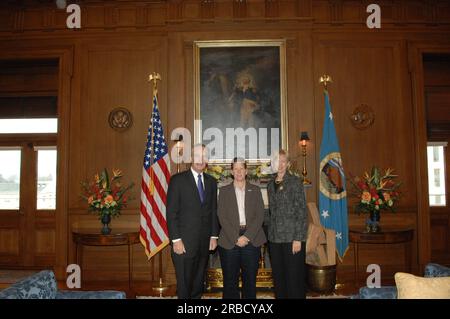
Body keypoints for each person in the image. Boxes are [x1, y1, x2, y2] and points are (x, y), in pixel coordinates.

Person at [166, 144, 219, 299]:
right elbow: (171, 213)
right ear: (190, 158)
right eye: (197, 156)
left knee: (198, 284)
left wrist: (214, 236)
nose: (200, 160)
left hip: (204, 243)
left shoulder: (211, 182)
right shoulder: (177, 181)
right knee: (184, 285)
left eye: (204, 156)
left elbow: (213, 211)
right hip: (183, 244)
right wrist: (176, 240)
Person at [217, 157, 266, 299]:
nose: (239, 171)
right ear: (232, 171)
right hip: (229, 239)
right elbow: (222, 216)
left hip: (252, 239)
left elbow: (260, 215)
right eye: (236, 169)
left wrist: (247, 236)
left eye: (241, 168)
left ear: (246, 171)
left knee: (250, 281)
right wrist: (235, 237)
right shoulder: (224, 191)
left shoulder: (255, 190)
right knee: (230, 282)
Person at [267, 149, 308, 298]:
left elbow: (302, 212)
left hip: (293, 239)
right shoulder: (270, 185)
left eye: (283, 161)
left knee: (294, 279)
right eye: (278, 161)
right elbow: (272, 212)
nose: (280, 164)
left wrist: (298, 238)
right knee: (279, 279)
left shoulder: (296, 182)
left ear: (288, 164)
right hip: (275, 239)